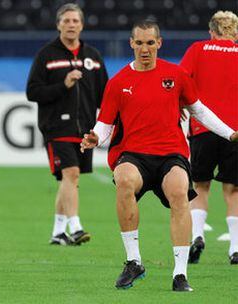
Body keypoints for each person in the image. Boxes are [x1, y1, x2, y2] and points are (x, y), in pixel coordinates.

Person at [81, 20, 238, 291]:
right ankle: (133, 261)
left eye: (150, 43)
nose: (145, 49)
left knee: (179, 191)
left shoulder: (176, 75)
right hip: (133, 154)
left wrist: (230, 133)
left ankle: (180, 274)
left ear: (159, 43)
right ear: (131, 44)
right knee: (125, 180)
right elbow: (105, 124)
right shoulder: (118, 83)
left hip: (170, 154)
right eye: (139, 43)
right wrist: (95, 137)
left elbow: (199, 110)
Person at [26, 3, 108, 246]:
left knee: (69, 180)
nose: (71, 25)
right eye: (67, 21)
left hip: (85, 129)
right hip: (56, 128)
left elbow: (106, 92)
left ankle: (58, 232)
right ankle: (76, 227)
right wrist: (64, 84)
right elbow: (32, 91)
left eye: (75, 21)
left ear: (82, 25)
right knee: (70, 174)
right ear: (58, 25)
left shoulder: (92, 57)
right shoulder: (46, 55)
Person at [180, 11, 238, 265]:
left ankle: (197, 235)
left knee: (200, 186)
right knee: (234, 191)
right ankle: (235, 248)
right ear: (234, 32)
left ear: (211, 31)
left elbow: (181, 80)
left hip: (204, 128)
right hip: (235, 132)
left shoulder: (198, 49)